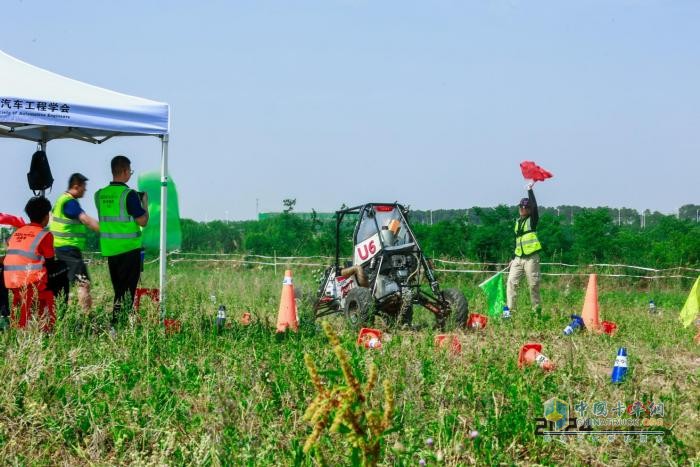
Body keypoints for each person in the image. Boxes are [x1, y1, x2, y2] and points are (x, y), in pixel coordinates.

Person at [95, 155, 148, 329]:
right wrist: (144, 204)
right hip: (129, 249)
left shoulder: (100, 195)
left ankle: (117, 325)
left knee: (119, 290)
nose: (130, 175)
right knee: (127, 293)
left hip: (111, 250)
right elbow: (142, 221)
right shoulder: (129, 194)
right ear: (125, 171)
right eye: (130, 171)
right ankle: (117, 327)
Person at [3, 196, 57, 331]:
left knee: (21, 300)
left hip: (10, 281)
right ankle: (47, 328)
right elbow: (50, 262)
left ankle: (18, 325)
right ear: (46, 216)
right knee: (54, 284)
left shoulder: (18, 232)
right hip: (29, 282)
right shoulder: (44, 234)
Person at [49, 173, 100, 311]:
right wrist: (106, 232)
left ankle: (65, 315)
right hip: (69, 248)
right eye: (84, 187)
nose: (86, 190)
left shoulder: (60, 200)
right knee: (83, 283)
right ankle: (86, 318)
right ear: (76, 186)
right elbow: (85, 219)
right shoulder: (70, 202)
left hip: (59, 248)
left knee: (67, 285)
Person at [506, 181, 543, 314]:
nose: (523, 209)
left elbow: (535, 208)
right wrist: (512, 258)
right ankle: (510, 312)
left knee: (533, 285)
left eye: (525, 207)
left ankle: (536, 312)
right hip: (518, 258)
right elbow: (516, 241)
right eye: (521, 206)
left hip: (531, 258)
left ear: (529, 209)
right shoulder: (517, 222)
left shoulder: (532, 220)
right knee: (511, 283)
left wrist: (530, 191)